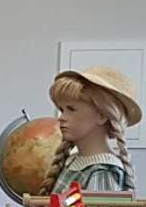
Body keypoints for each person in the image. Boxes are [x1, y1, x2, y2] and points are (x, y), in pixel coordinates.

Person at [43, 66, 139, 194]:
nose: (62, 118)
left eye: (71, 109)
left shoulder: (101, 171)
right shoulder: (75, 161)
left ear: (101, 116)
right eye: (62, 110)